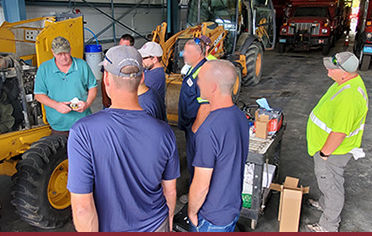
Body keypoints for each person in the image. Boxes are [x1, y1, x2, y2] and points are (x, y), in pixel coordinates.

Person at [68, 45, 179, 232]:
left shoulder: (83, 132)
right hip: (155, 225)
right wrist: (168, 221)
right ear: (142, 78)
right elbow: (170, 191)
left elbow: (82, 208)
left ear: (106, 79)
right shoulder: (165, 133)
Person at [305, 52, 369, 232]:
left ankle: (329, 225)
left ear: (344, 72)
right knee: (327, 182)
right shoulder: (345, 82)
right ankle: (324, 204)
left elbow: (340, 132)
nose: (328, 70)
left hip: (333, 152)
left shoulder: (350, 97)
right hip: (327, 148)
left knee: (331, 185)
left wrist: (324, 154)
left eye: (332, 68)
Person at [188, 60, 249, 232]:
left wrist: (192, 212)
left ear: (213, 87)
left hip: (211, 218)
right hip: (232, 207)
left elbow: (201, 186)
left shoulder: (208, 131)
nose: (198, 83)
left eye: (201, 79)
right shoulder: (239, 116)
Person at [34, 36, 97, 136]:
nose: (63, 57)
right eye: (59, 54)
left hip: (83, 122)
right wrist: (56, 105)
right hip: (59, 125)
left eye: (66, 53)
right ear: (53, 52)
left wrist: (87, 104)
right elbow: (39, 95)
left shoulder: (81, 65)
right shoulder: (44, 68)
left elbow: (93, 87)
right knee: (62, 151)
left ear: (70, 50)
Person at [178, 39, 210, 187]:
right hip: (190, 123)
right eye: (185, 51)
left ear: (199, 53)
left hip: (196, 126)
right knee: (192, 158)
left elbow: (206, 106)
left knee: (196, 161)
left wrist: (195, 128)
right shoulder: (193, 68)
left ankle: (195, 192)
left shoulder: (203, 73)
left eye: (188, 52)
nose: (184, 54)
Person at [101, 34, 135, 108]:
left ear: (132, 47)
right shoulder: (111, 56)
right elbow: (104, 78)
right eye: (120, 46)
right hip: (112, 98)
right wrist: (105, 98)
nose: (120, 49)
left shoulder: (136, 61)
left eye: (124, 47)